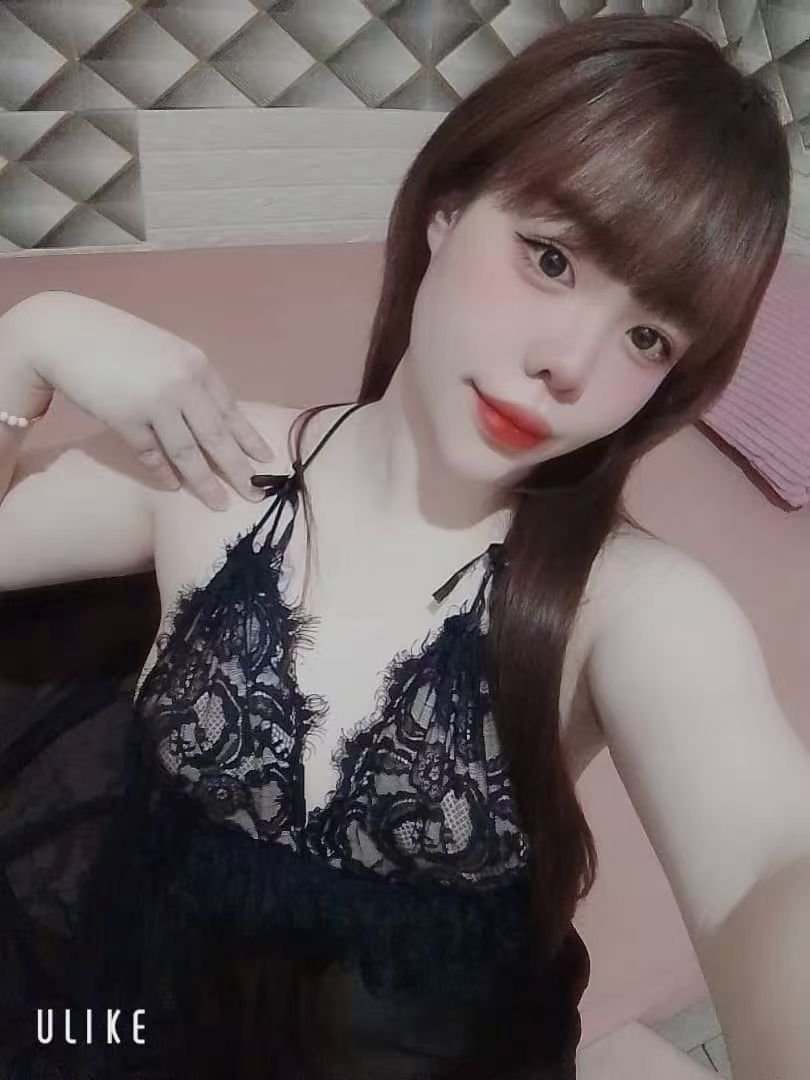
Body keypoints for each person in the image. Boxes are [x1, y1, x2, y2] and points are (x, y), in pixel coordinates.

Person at [0, 12, 809, 1080]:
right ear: (447, 207)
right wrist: (32, 337)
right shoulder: (213, 465)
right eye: (552, 258)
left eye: (647, 337)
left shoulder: (633, 606)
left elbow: (768, 867)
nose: (570, 365)